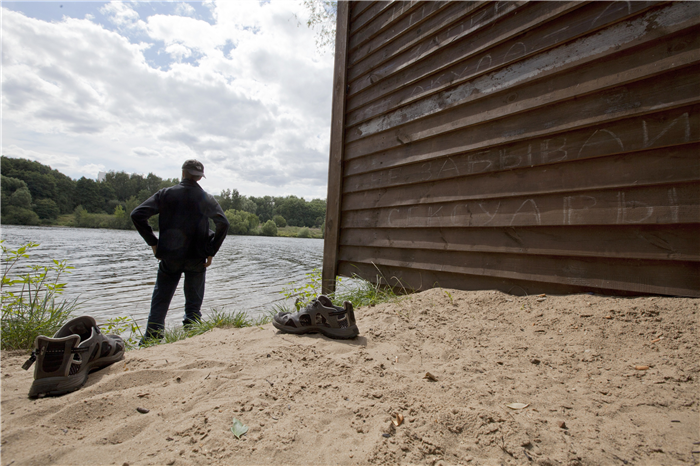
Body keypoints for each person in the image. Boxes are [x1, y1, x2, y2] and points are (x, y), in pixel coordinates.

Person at [131, 159, 229, 343]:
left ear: (183, 173)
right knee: (193, 305)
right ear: (200, 178)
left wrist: (153, 242)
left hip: (170, 256)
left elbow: (137, 214)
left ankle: (152, 338)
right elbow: (223, 223)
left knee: (161, 299)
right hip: (197, 258)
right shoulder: (205, 198)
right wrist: (211, 250)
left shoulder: (166, 194)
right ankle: (191, 338)